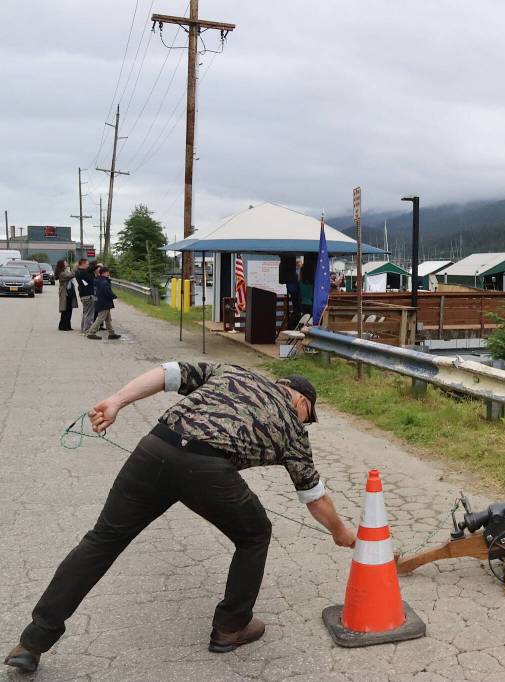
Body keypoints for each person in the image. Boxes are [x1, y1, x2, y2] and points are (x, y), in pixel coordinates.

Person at [3, 364, 357, 674]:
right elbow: (313, 494)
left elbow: (168, 373)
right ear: (301, 401)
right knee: (255, 534)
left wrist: (116, 401)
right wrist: (340, 531)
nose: (303, 422)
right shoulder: (294, 427)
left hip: (155, 447)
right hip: (208, 469)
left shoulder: (233, 371)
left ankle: (31, 643)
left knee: (102, 540)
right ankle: (231, 628)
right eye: (307, 416)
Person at [84, 267, 121, 340]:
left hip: (100, 302)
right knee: (100, 318)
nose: (108, 273)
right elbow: (107, 292)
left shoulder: (97, 280)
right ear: (104, 273)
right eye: (107, 272)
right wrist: (114, 296)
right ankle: (91, 332)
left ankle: (111, 333)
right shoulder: (104, 282)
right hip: (104, 303)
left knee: (108, 319)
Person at [55, 260, 78, 330]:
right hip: (65, 293)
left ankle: (67, 325)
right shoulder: (61, 273)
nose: (67, 263)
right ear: (62, 264)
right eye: (65, 262)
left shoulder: (66, 271)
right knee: (65, 310)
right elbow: (70, 275)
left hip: (69, 292)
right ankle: (63, 326)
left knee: (69, 310)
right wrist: (75, 268)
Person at [74, 259, 96, 332]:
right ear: (83, 264)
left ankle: (83, 328)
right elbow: (91, 280)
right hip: (88, 294)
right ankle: (88, 330)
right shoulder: (84, 272)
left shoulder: (77, 272)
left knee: (85, 313)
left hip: (83, 294)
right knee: (89, 314)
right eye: (87, 264)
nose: (88, 265)